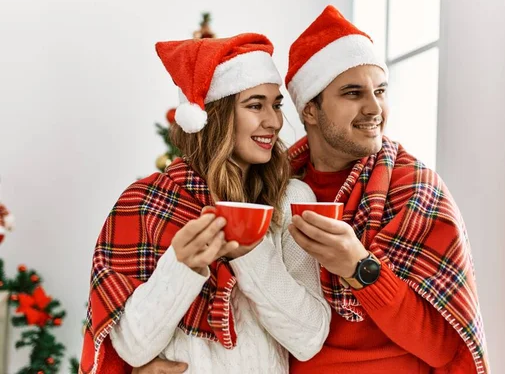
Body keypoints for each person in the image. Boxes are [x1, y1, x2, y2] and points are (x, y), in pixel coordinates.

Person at [79, 33, 330, 374]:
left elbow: (309, 337)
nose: (273, 121)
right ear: (214, 116)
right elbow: (134, 348)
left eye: (276, 104)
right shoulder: (145, 203)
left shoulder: (291, 200)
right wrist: (181, 265)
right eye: (255, 105)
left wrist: (249, 250)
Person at [282, 6, 489, 374]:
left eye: (380, 91)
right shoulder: (271, 188)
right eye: (353, 93)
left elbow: (443, 348)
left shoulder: (415, 189)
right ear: (310, 110)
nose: (375, 107)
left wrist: (358, 266)